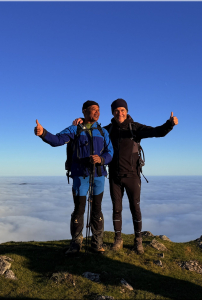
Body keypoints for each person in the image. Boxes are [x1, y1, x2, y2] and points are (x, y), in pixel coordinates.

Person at [73, 98, 178, 254]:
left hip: (132, 176)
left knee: (135, 208)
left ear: (127, 111)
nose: (119, 113)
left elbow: (157, 132)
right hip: (115, 176)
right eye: (116, 110)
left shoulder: (135, 128)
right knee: (117, 209)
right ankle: (118, 239)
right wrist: (81, 122)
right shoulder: (107, 129)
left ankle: (138, 241)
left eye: (122, 110)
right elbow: (90, 131)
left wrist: (169, 124)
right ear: (113, 113)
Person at [35, 100, 113, 254]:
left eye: (98, 110)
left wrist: (101, 159)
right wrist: (43, 133)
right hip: (80, 176)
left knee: (97, 209)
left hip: (98, 175)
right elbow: (57, 140)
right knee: (79, 210)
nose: (97, 112)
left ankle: (97, 244)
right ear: (84, 111)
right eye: (93, 109)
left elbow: (110, 152)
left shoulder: (103, 132)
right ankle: (76, 244)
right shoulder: (75, 129)